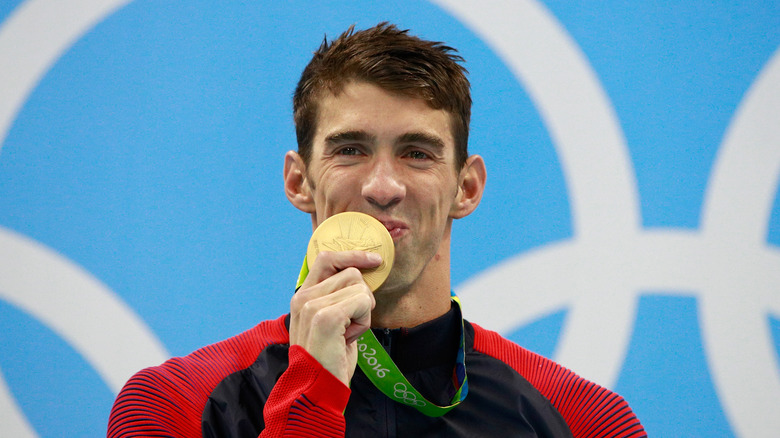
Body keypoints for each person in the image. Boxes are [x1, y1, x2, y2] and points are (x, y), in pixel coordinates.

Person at [108, 23, 646, 437]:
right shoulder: (175, 404)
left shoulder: (583, 420)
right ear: (299, 181)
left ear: (467, 188)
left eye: (417, 153)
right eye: (350, 150)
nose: (384, 186)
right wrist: (310, 397)